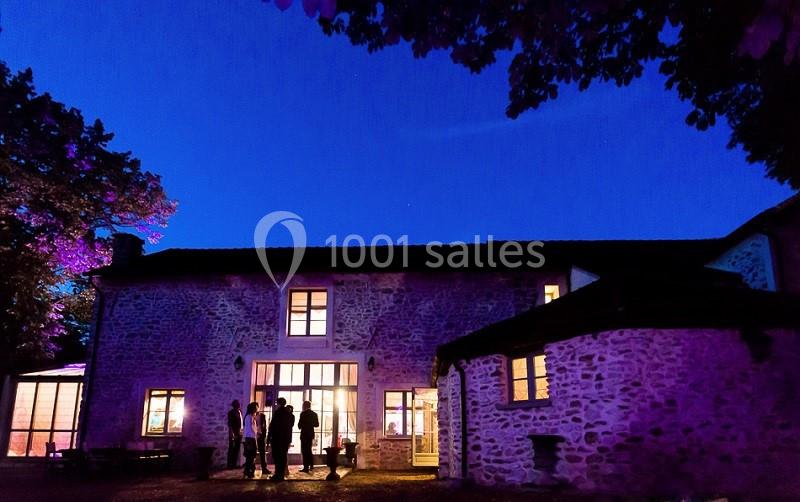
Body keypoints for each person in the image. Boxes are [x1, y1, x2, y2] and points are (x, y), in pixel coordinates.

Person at [267, 397, 293, 481]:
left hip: (277, 438)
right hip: (285, 439)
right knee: (283, 457)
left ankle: (277, 474)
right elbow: (289, 428)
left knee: (277, 457)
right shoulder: (289, 413)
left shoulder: (277, 412)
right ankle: (281, 475)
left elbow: (272, 426)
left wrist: (269, 438)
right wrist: (289, 440)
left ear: (278, 403)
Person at [298, 400, 319, 473]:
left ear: (304, 406)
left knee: (304, 450)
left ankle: (306, 467)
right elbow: (317, 424)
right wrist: (310, 424)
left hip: (304, 433)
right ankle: (311, 465)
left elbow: (299, 425)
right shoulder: (314, 414)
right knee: (309, 449)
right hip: (310, 433)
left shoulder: (303, 414)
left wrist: (302, 425)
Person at [242, 402, 259, 479]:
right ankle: (248, 471)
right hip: (250, 438)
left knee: (250, 455)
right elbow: (252, 428)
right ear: (252, 408)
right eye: (256, 407)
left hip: (250, 437)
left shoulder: (250, 416)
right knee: (251, 455)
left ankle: (248, 471)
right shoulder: (249, 417)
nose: (257, 409)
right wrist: (257, 433)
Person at [226, 400, 243, 469]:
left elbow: (241, 422)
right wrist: (232, 433)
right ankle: (229, 465)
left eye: (238, 404)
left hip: (239, 432)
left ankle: (234, 464)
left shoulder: (239, 412)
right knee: (231, 448)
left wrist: (241, 431)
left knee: (237, 448)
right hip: (234, 432)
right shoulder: (231, 412)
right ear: (234, 405)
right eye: (237, 404)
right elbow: (230, 423)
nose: (238, 405)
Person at [256, 410, 271, 476]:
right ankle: (250, 468)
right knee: (252, 453)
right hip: (253, 436)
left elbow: (264, 426)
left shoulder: (262, 416)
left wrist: (264, 436)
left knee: (262, 452)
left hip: (261, 436)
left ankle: (264, 468)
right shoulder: (250, 416)